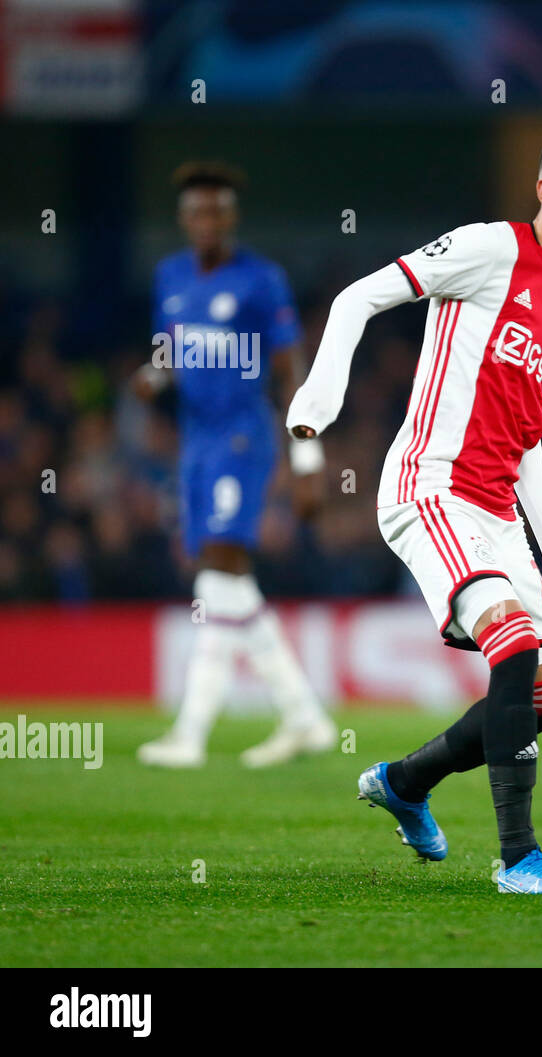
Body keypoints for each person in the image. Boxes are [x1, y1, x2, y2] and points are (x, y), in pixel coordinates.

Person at [287, 130, 542, 893]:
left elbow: (527, 434)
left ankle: (405, 781)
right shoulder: (487, 249)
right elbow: (358, 296)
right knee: (508, 648)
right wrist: (321, 394)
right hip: (429, 486)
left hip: (497, 508)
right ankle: (518, 859)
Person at [134, 161, 335, 769]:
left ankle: (191, 733)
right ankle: (304, 717)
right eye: (197, 211)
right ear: (183, 219)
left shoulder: (260, 281)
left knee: (221, 562)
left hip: (243, 438)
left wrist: (307, 453)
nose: (207, 221)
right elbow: (168, 347)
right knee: (224, 578)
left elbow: (290, 365)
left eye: (218, 210)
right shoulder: (169, 277)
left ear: (232, 216)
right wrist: (154, 374)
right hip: (196, 442)